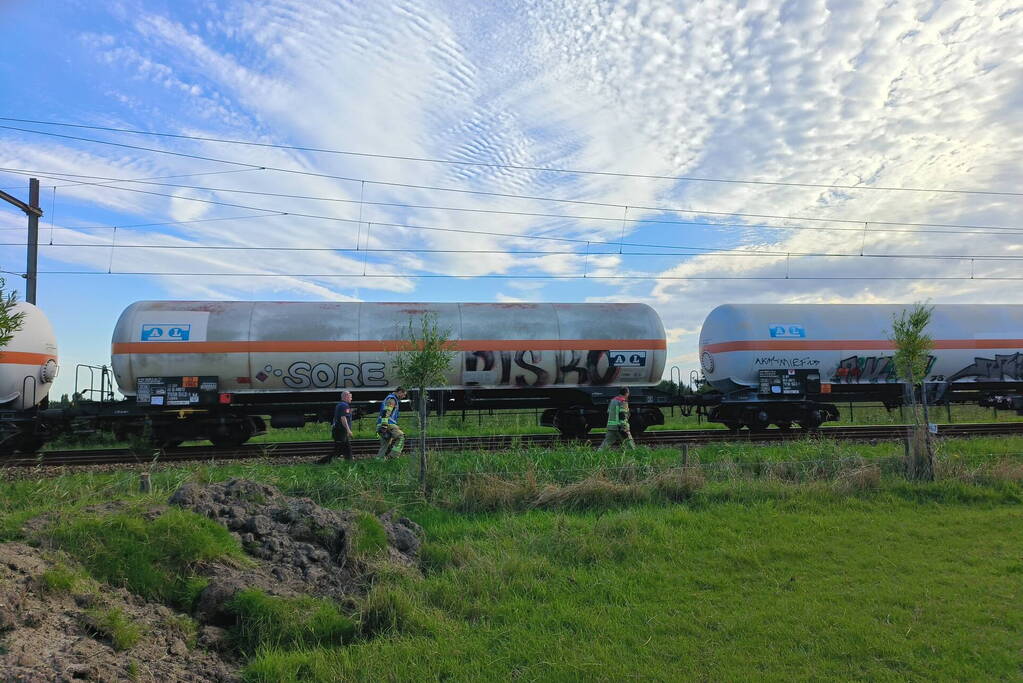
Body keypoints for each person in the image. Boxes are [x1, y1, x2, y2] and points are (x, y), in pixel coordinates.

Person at [318, 390, 354, 463]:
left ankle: (349, 462)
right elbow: (343, 418)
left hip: (339, 430)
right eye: (350, 397)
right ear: (346, 397)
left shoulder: (340, 405)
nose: (351, 399)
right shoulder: (344, 406)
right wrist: (348, 430)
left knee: (347, 448)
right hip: (341, 431)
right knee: (338, 451)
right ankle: (321, 462)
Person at [376, 386, 407, 458]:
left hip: (381, 424)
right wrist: (384, 426)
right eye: (404, 394)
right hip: (388, 424)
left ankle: (379, 461)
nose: (404, 396)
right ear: (400, 392)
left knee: (385, 446)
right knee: (401, 437)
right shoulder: (392, 400)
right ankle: (393, 457)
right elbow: (386, 412)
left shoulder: (389, 398)